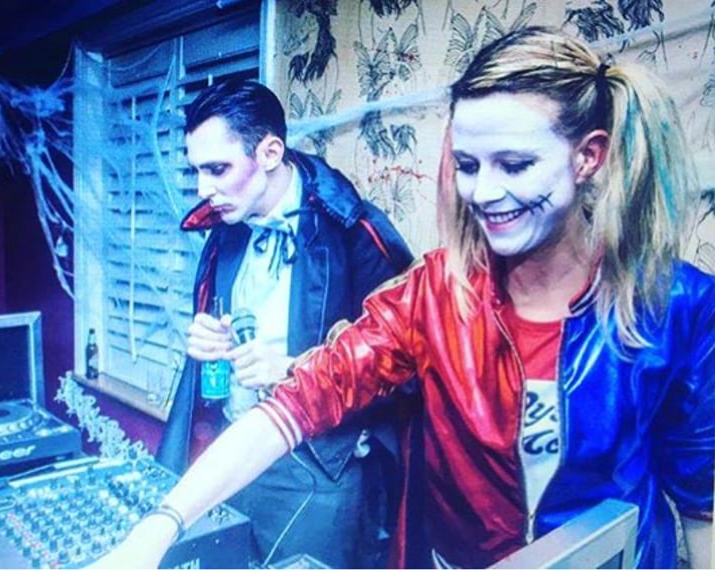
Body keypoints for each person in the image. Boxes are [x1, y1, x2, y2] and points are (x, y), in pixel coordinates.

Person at [94, 27, 714, 569]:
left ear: (588, 157)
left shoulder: (681, 306)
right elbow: (301, 400)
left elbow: (702, 500)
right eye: (468, 165)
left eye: (515, 164)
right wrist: (158, 528)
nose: (484, 192)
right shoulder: (435, 293)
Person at [154, 79, 414, 568]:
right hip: (231, 449)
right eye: (197, 171)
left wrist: (294, 368)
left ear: (270, 152)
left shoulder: (357, 234)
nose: (203, 190)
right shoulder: (224, 230)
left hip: (319, 468)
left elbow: (409, 371)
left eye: (217, 169)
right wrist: (204, 340)